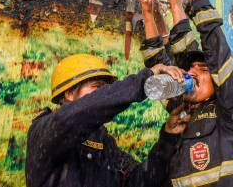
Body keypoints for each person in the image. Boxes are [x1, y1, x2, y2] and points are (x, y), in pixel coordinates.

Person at [137, 0, 233, 187]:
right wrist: (156, 7)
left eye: (202, 70)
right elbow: (158, 63)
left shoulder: (231, 109)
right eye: (191, 70)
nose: (192, 73)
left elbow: (215, 46)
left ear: (219, 79)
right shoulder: (181, 110)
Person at [25, 53, 189, 187]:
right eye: (97, 87)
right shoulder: (44, 131)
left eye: (107, 89)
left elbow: (139, 180)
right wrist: (145, 79)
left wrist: (168, 137)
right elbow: (81, 112)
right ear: (68, 93)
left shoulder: (104, 143)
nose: (105, 93)